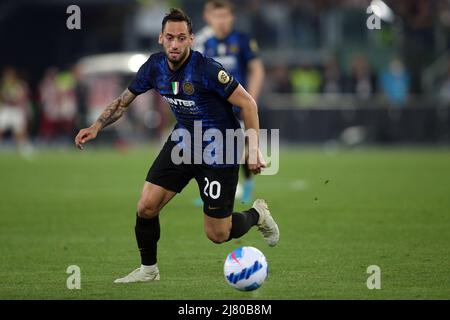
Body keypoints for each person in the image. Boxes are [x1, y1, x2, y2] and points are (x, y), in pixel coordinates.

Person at [75, 8, 279, 283]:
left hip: (220, 149)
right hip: (184, 142)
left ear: (191, 39)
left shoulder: (206, 69)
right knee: (146, 206)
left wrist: (252, 149)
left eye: (181, 38)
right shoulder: (154, 67)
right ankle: (149, 270)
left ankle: (258, 214)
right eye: (170, 37)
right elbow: (124, 102)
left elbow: (248, 103)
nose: (174, 44)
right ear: (161, 38)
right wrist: (96, 126)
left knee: (217, 234)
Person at [194, 0, 265, 204]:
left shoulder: (242, 40)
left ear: (232, 17)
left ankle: (247, 186)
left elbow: (257, 70)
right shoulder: (202, 43)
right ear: (208, 18)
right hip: (210, 105)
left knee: (241, 146)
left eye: (225, 16)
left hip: (236, 104)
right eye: (217, 16)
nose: (222, 21)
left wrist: (250, 99)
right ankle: (209, 188)